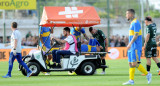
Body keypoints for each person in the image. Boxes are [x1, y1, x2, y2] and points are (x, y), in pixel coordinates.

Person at [123, 9, 152, 85]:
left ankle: (148, 74)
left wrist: (130, 44)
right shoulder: (132, 23)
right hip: (131, 46)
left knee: (134, 64)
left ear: (131, 14)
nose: (126, 15)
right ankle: (131, 80)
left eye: (127, 14)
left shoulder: (136, 23)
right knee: (130, 64)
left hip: (135, 46)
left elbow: (136, 35)